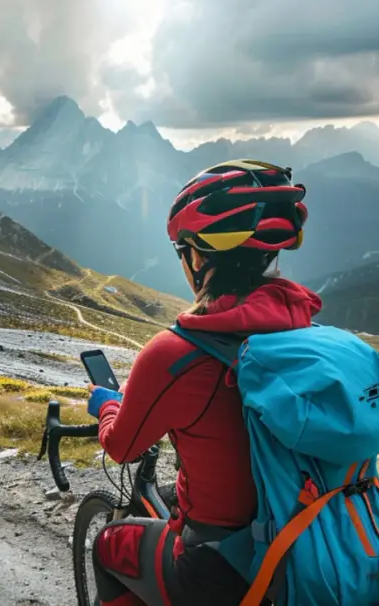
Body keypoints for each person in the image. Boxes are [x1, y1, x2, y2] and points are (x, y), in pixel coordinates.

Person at [86, 160, 320, 606]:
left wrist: (108, 406)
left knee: (108, 547)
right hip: (312, 545)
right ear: (270, 252)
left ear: (195, 256)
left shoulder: (176, 354)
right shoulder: (309, 337)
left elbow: (122, 447)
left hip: (224, 567)